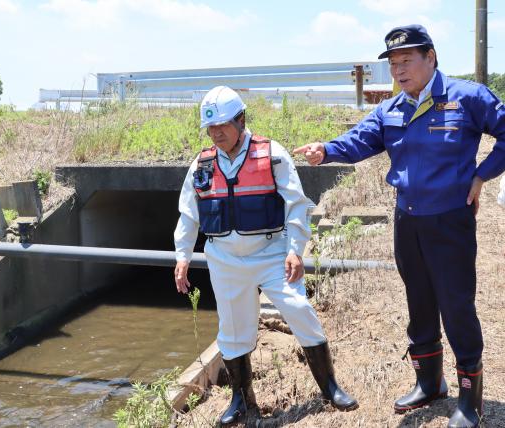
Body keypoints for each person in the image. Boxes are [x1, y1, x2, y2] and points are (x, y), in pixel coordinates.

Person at [294, 25, 505, 428]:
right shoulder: (391, 109)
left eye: (407, 60)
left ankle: (470, 398)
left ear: (431, 57)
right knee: (419, 299)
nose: (399, 70)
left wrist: (482, 175)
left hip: (450, 220)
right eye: (393, 64)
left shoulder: (467, 97)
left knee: (456, 304)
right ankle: (430, 382)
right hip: (407, 220)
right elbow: (359, 140)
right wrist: (326, 150)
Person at [173, 85, 358, 425]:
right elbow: (189, 213)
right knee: (233, 330)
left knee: (299, 309)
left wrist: (294, 250)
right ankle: (243, 401)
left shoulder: (272, 154)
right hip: (225, 259)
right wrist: (182, 255)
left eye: (223, 126)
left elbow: (297, 205)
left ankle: (329, 388)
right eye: (211, 128)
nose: (216, 134)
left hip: (272, 252)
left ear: (241, 120)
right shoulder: (201, 164)